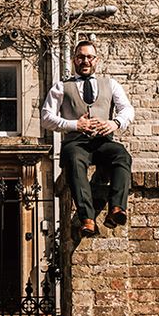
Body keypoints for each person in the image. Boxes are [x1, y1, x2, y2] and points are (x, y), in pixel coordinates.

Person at [41, 39, 134, 237]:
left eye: (89, 57)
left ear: (96, 60)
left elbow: (127, 110)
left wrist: (113, 123)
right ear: (74, 60)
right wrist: (75, 124)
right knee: (75, 161)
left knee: (122, 155)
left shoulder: (111, 84)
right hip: (76, 143)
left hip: (103, 141)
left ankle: (116, 209)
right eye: (81, 57)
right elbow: (46, 118)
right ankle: (87, 219)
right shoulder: (61, 87)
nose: (85, 61)